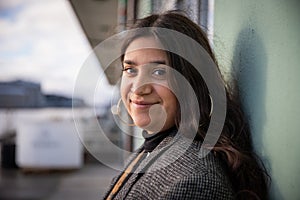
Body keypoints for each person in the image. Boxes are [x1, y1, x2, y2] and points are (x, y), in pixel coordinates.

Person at [103, 11, 269, 200]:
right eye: (130, 69)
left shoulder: (195, 181)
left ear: (191, 82)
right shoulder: (149, 150)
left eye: (158, 72)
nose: (139, 88)